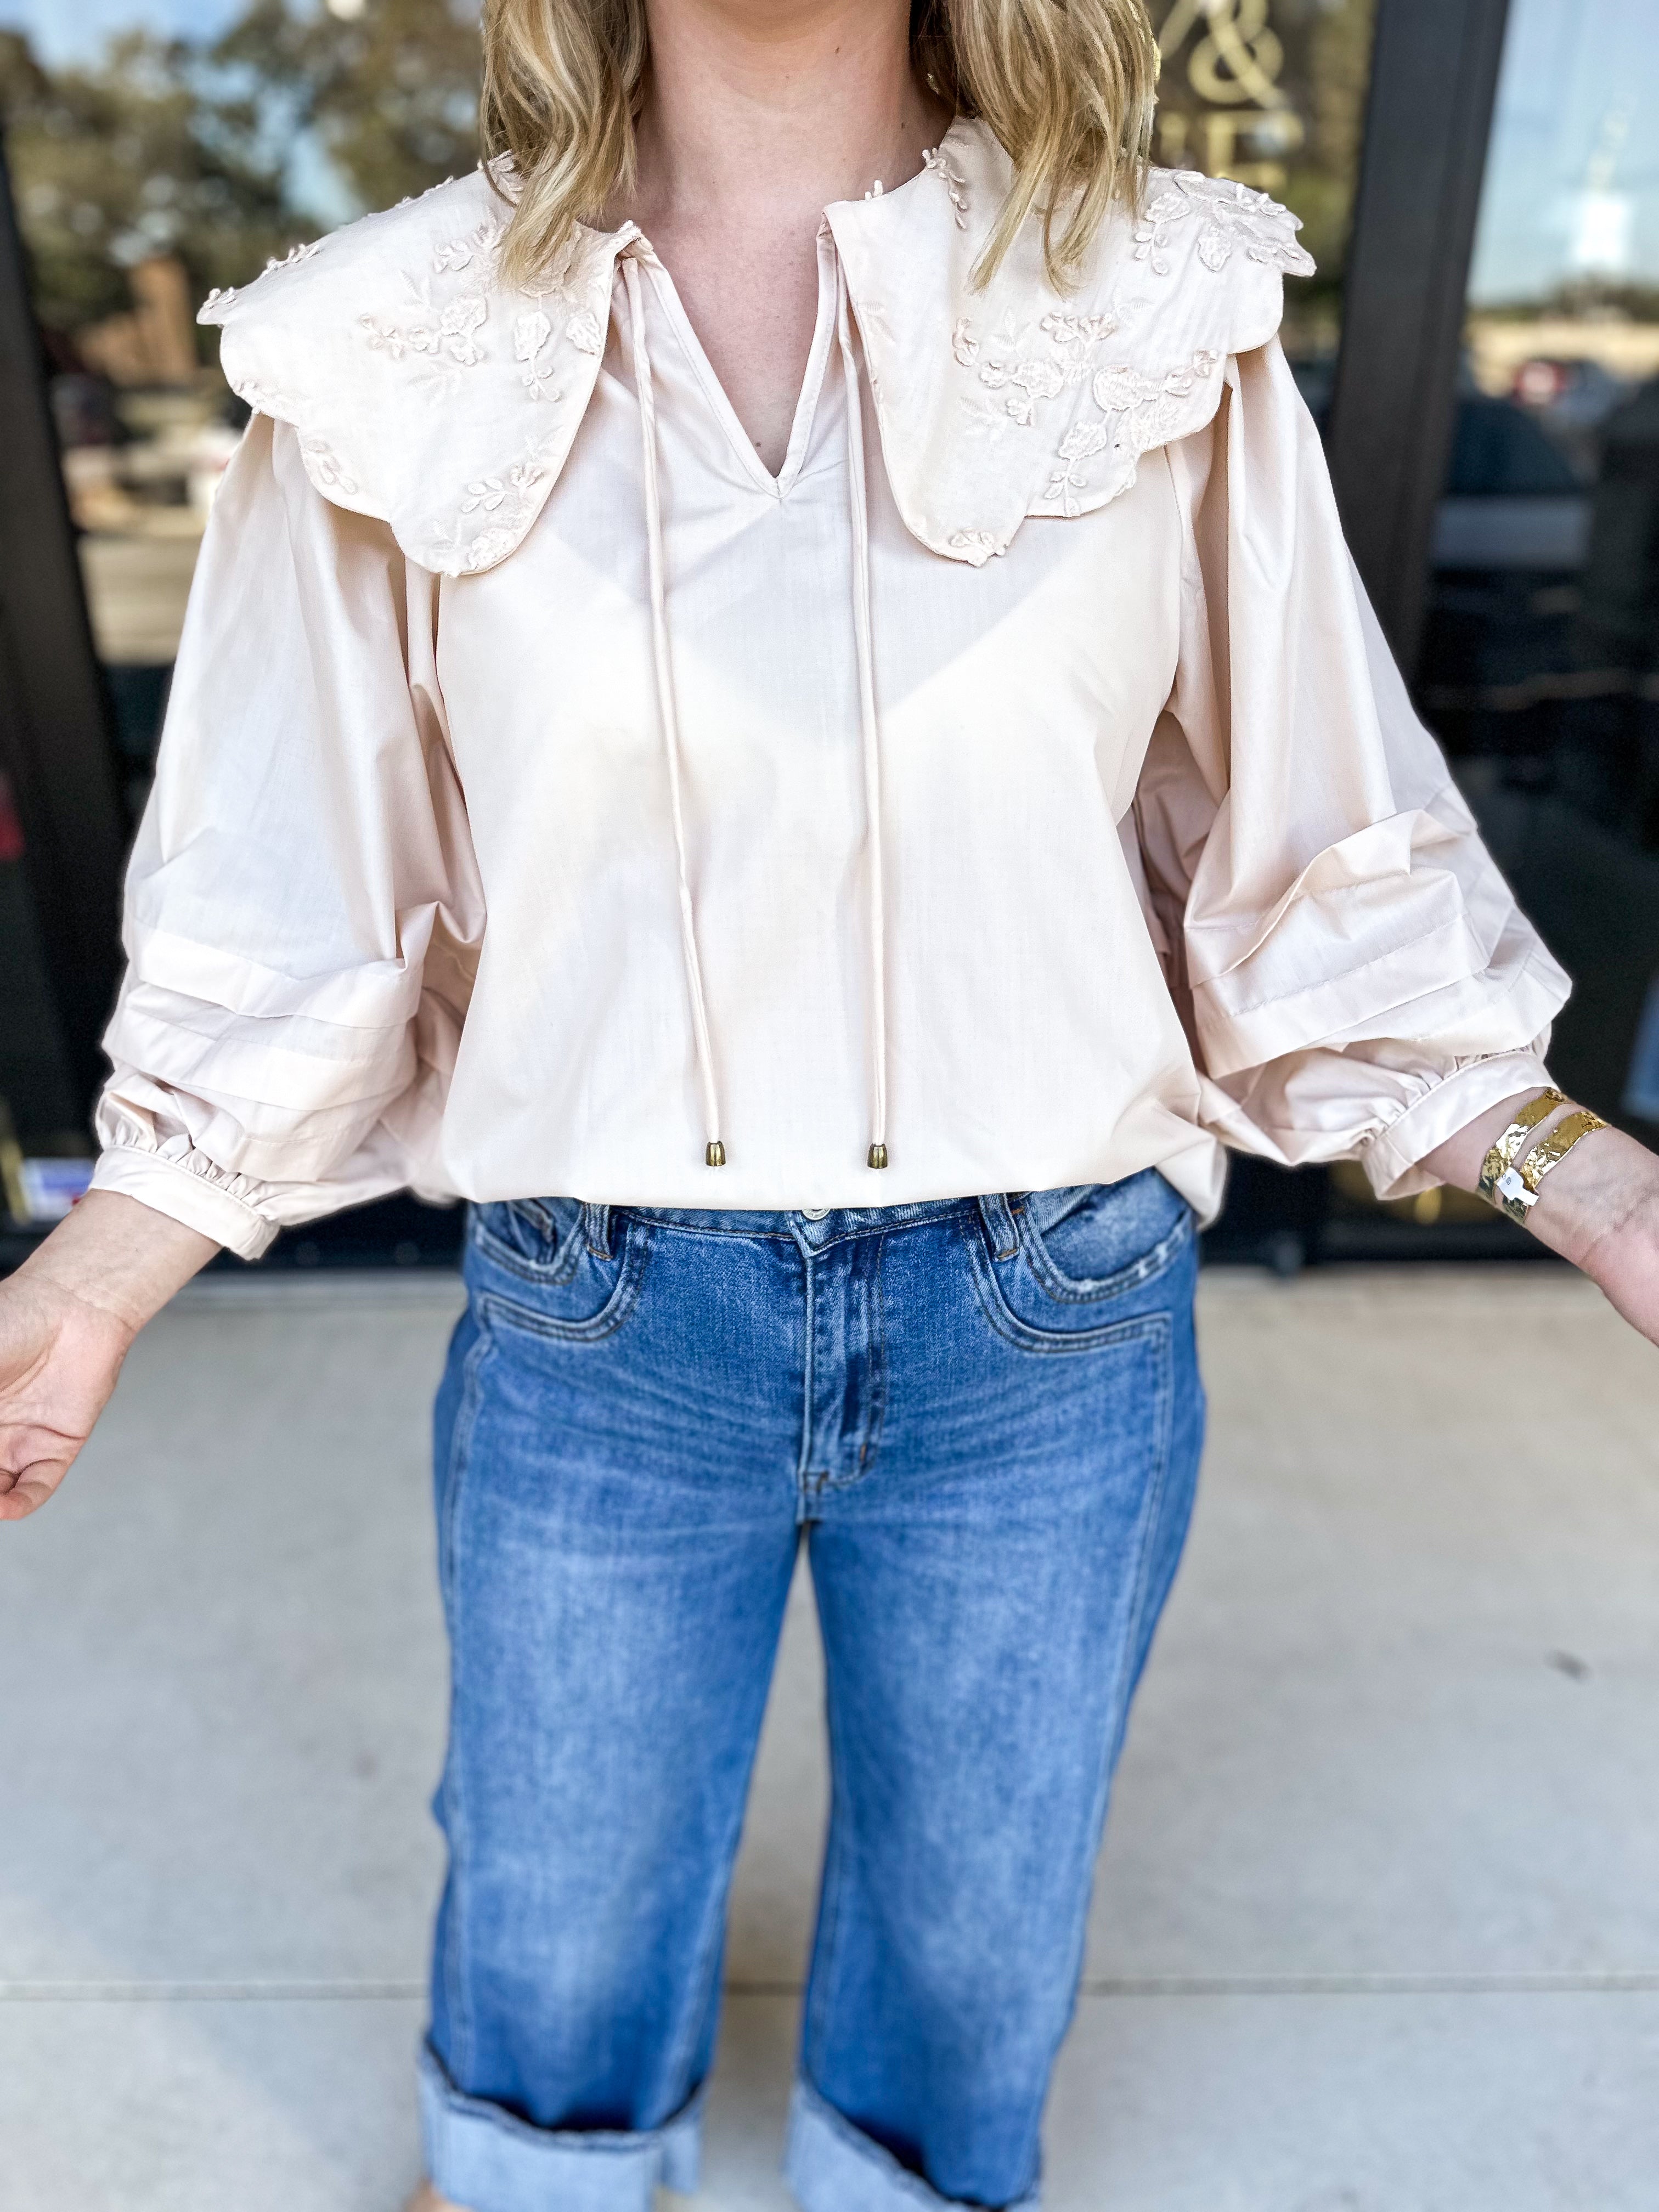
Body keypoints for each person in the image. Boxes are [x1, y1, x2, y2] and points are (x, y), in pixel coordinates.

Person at [4, 2, 1657, 2207]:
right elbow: (297, 889)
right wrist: (102, 1275)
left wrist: (1587, 1176)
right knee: (555, 1909)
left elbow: (1305, 850)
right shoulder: (385, 350)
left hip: (1044, 1329)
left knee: (981, 1937)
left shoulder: (1153, 311)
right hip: (601, 1329)